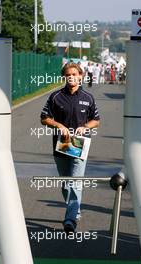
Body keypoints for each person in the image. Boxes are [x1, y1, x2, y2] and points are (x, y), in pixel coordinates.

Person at [40, 62, 100, 234]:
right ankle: (75, 210)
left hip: (80, 144)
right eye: (68, 75)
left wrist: (86, 127)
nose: (71, 77)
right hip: (62, 145)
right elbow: (44, 118)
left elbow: (96, 120)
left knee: (75, 182)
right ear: (64, 77)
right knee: (66, 183)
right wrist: (58, 125)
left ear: (80, 76)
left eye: (74, 74)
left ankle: (70, 220)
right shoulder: (55, 97)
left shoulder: (88, 98)